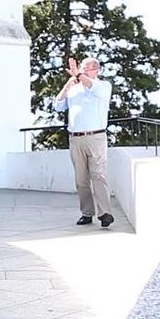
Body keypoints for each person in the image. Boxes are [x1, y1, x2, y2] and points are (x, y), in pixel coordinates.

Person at [54, 57, 114, 227]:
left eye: (89, 69)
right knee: (81, 179)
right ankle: (87, 213)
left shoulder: (103, 86)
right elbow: (58, 106)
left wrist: (80, 75)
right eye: (83, 68)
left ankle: (105, 213)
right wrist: (68, 84)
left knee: (98, 175)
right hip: (75, 138)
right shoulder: (74, 89)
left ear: (97, 70)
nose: (85, 71)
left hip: (96, 137)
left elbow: (93, 87)